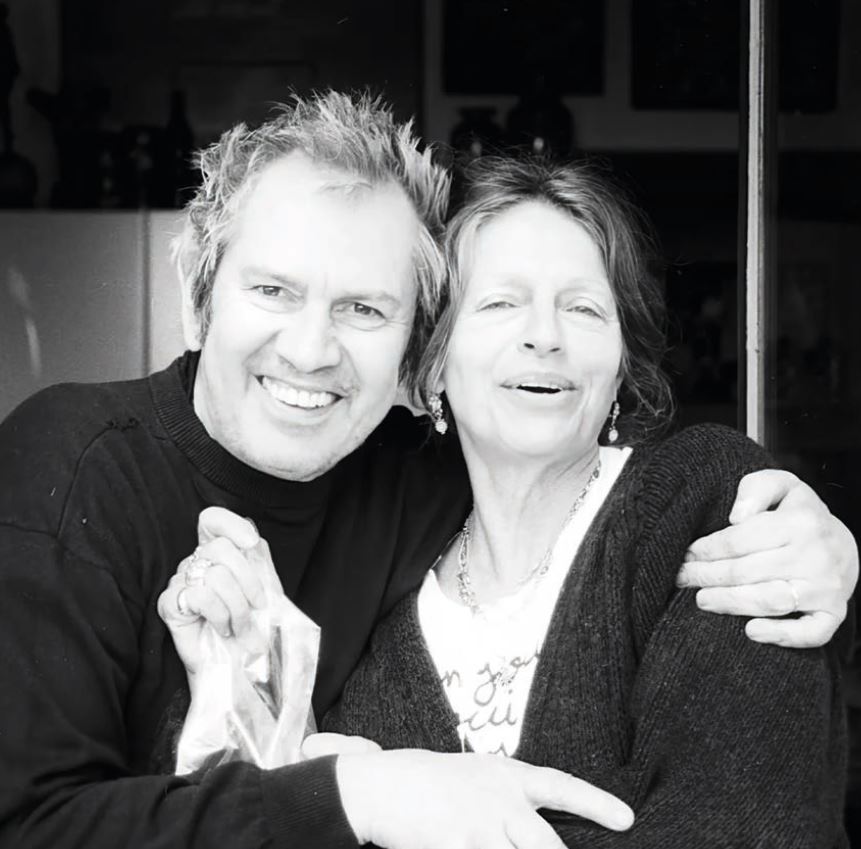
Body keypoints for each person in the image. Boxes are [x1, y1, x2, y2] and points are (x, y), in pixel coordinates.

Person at [0, 92, 853, 849]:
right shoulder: (73, 465)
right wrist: (355, 792)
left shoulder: (469, 489)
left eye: (364, 308)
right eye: (273, 291)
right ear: (200, 291)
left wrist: (824, 549)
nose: (311, 349)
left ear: (413, 345)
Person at [318, 156, 848, 846]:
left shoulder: (705, 500)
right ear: (433, 362)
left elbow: (750, 828)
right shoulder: (378, 608)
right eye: (500, 303)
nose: (544, 335)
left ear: (621, 365)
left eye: (582, 308)